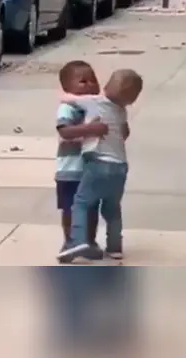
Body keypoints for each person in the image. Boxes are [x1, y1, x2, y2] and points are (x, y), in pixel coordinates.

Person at [57, 69, 144, 263]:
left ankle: (77, 241)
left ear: (105, 87)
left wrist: (68, 94)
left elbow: (66, 98)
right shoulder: (122, 111)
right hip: (120, 167)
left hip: (98, 163)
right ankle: (115, 248)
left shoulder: (94, 101)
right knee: (112, 209)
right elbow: (125, 134)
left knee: (80, 203)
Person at [54, 61, 106, 262]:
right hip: (70, 170)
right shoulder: (68, 108)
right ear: (67, 88)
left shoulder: (98, 107)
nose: (91, 85)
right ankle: (70, 242)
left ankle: (89, 242)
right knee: (69, 208)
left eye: (94, 80)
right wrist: (91, 129)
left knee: (92, 207)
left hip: (92, 169)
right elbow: (64, 132)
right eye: (83, 81)